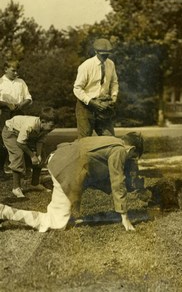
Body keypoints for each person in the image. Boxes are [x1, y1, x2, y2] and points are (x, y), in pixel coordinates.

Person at [0, 132, 144, 232]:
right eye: (133, 157)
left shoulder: (110, 140)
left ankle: (55, 180)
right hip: (68, 167)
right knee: (55, 223)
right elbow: (117, 182)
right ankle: (5, 212)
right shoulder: (119, 150)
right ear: (131, 148)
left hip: (59, 157)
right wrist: (125, 217)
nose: (131, 160)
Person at [1, 107, 57, 198]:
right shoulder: (30, 125)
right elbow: (20, 142)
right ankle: (16, 188)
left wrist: (38, 154)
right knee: (18, 155)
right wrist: (32, 156)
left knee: (41, 155)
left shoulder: (44, 127)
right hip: (11, 132)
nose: (53, 128)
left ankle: (34, 183)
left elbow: (39, 141)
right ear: (43, 121)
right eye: (51, 126)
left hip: (23, 135)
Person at [73, 38, 119, 138]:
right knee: (85, 140)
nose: (105, 57)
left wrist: (113, 98)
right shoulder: (86, 66)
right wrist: (92, 102)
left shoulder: (110, 64)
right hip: (86, 107)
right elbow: (77, 88)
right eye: (102, 54)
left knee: (110, 139)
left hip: (103, 106)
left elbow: (114, 83)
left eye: (107, 54)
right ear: (95, 51)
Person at [0, 60, 32, 181]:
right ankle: (1, 171)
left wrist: (22, 104)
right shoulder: (1, 83)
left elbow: (28, 97)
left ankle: (26, 169)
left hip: (19, 112)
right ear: (5, 69)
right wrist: (7, 104)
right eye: (13, 70)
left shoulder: (21, 82)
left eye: (17, 70)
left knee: (23, 139)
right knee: (3, 142)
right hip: (4, 113)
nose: (16, 73)